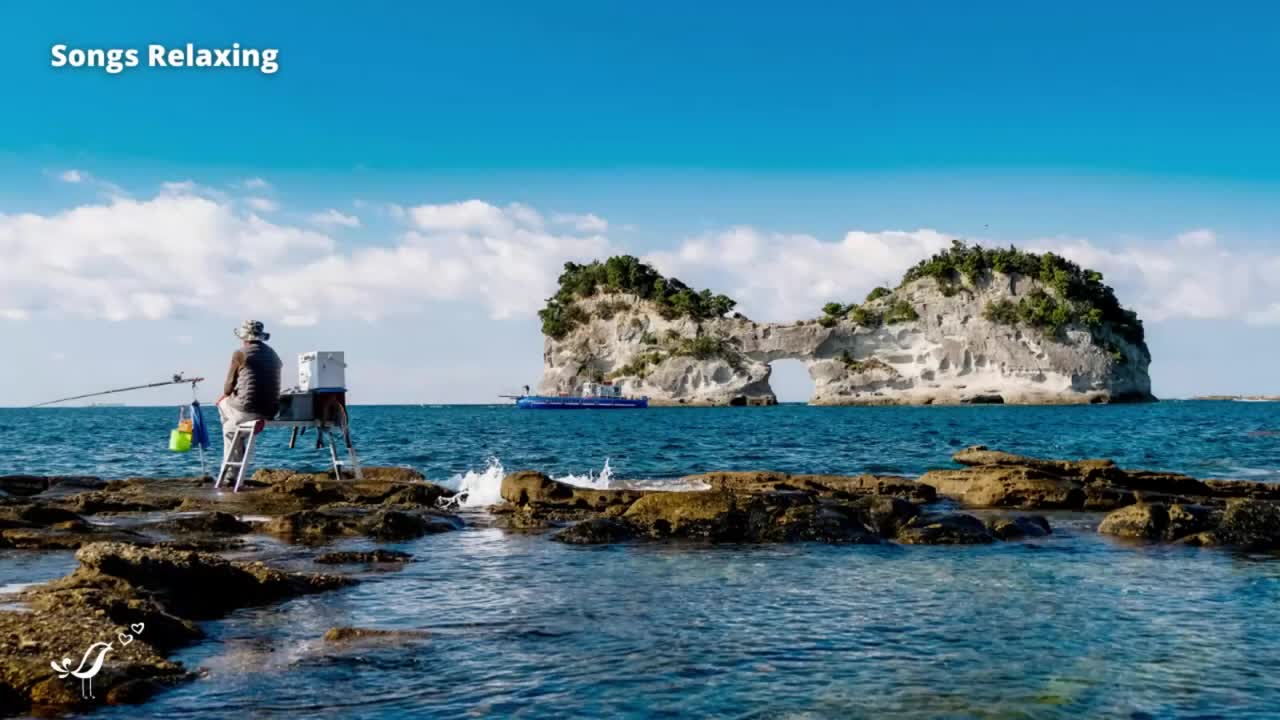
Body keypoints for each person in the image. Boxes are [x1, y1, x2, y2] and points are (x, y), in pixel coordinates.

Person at [216, 320, 283, 471]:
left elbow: (227, 389)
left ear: (243, 337)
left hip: (248, 409)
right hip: (271, 409)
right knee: (233, 425)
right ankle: (240, 432)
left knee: (225, 417)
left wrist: (230, 394)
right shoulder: (273, 354)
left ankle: (230, 474)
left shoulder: (240, 354)